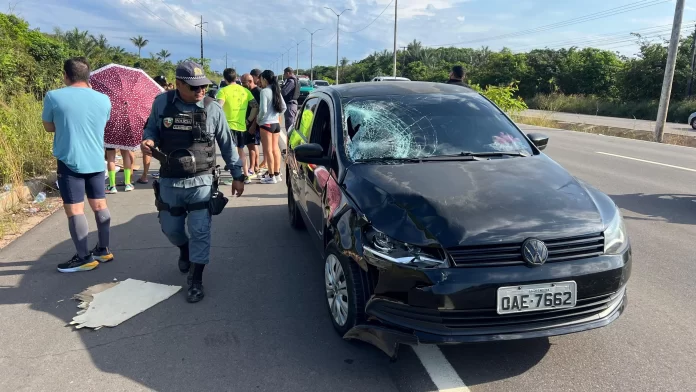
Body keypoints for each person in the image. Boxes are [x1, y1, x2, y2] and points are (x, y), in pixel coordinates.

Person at [141, 60, 245, 303]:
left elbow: (228, 146)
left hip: (201, 182)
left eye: (203, 87)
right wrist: (149, 141)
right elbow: (151, 130)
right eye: (194, 87)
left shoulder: (212, 108)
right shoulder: (162, 103)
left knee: (200, 231)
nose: (201, 91)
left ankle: (196, 279)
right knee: (172, 229)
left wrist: (238, 176)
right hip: (170, 182)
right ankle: (183, 249)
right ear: (178, 84)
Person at [42, 57, 114, 273]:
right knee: (100, 206)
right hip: (96, 161)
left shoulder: (54, 96)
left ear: (65, 75)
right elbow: (102, 122)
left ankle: (83, 258)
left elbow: (48, 127)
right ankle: (103, 250)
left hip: (70, 161)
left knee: (75, 210)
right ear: (88, 75)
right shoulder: (103, 99)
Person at [215, 68, 259, 184]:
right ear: (236, 78)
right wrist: (248, 120)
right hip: (241, 126)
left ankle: (236, 177)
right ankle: (246, 175)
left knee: (232, 153)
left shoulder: (223, 91)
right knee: (241, 151)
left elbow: (218, 107)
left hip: (228, 126)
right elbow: (255, 106)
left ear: (225, 79)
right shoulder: (245, 91)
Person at [257, 70, 286, 184]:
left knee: (268, 150)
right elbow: (283, 107)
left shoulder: (264, 91)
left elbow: (263, 109)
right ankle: (277, 174)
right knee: (275, 149)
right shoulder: (276, 90)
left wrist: (259, 120)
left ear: (264, 79)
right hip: (276, 124)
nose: (260, 81)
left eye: (261, 79)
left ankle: (271, 175)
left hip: (266, 124)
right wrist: (276, 115)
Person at [138, 75, 168, 184]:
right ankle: (162, 170)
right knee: (164, 148)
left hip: (150, 122)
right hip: (165, 122)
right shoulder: (168, 95)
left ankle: (145, 175)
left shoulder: (148, 93)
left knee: (148, 148)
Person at [241, 73, 262, 176]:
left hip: (253, 122)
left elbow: (258, 109)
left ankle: (251, 168)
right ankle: (256, 166)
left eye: (243, 83)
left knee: (251, 146)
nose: (242, 85)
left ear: (250, 81)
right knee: (253, 146)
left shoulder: (257, 92)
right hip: (249, 121)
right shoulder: (249, 91)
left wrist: (253, 125)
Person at [281, 67, 300, 132]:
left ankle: (290, 141)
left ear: (288, 73)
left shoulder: (291, 81)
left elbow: (284, 92)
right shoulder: (295, 79)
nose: (284, 75)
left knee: (289, 126)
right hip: (292, 104)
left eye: (284, 73)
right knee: (290, 124)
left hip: (290, 104)